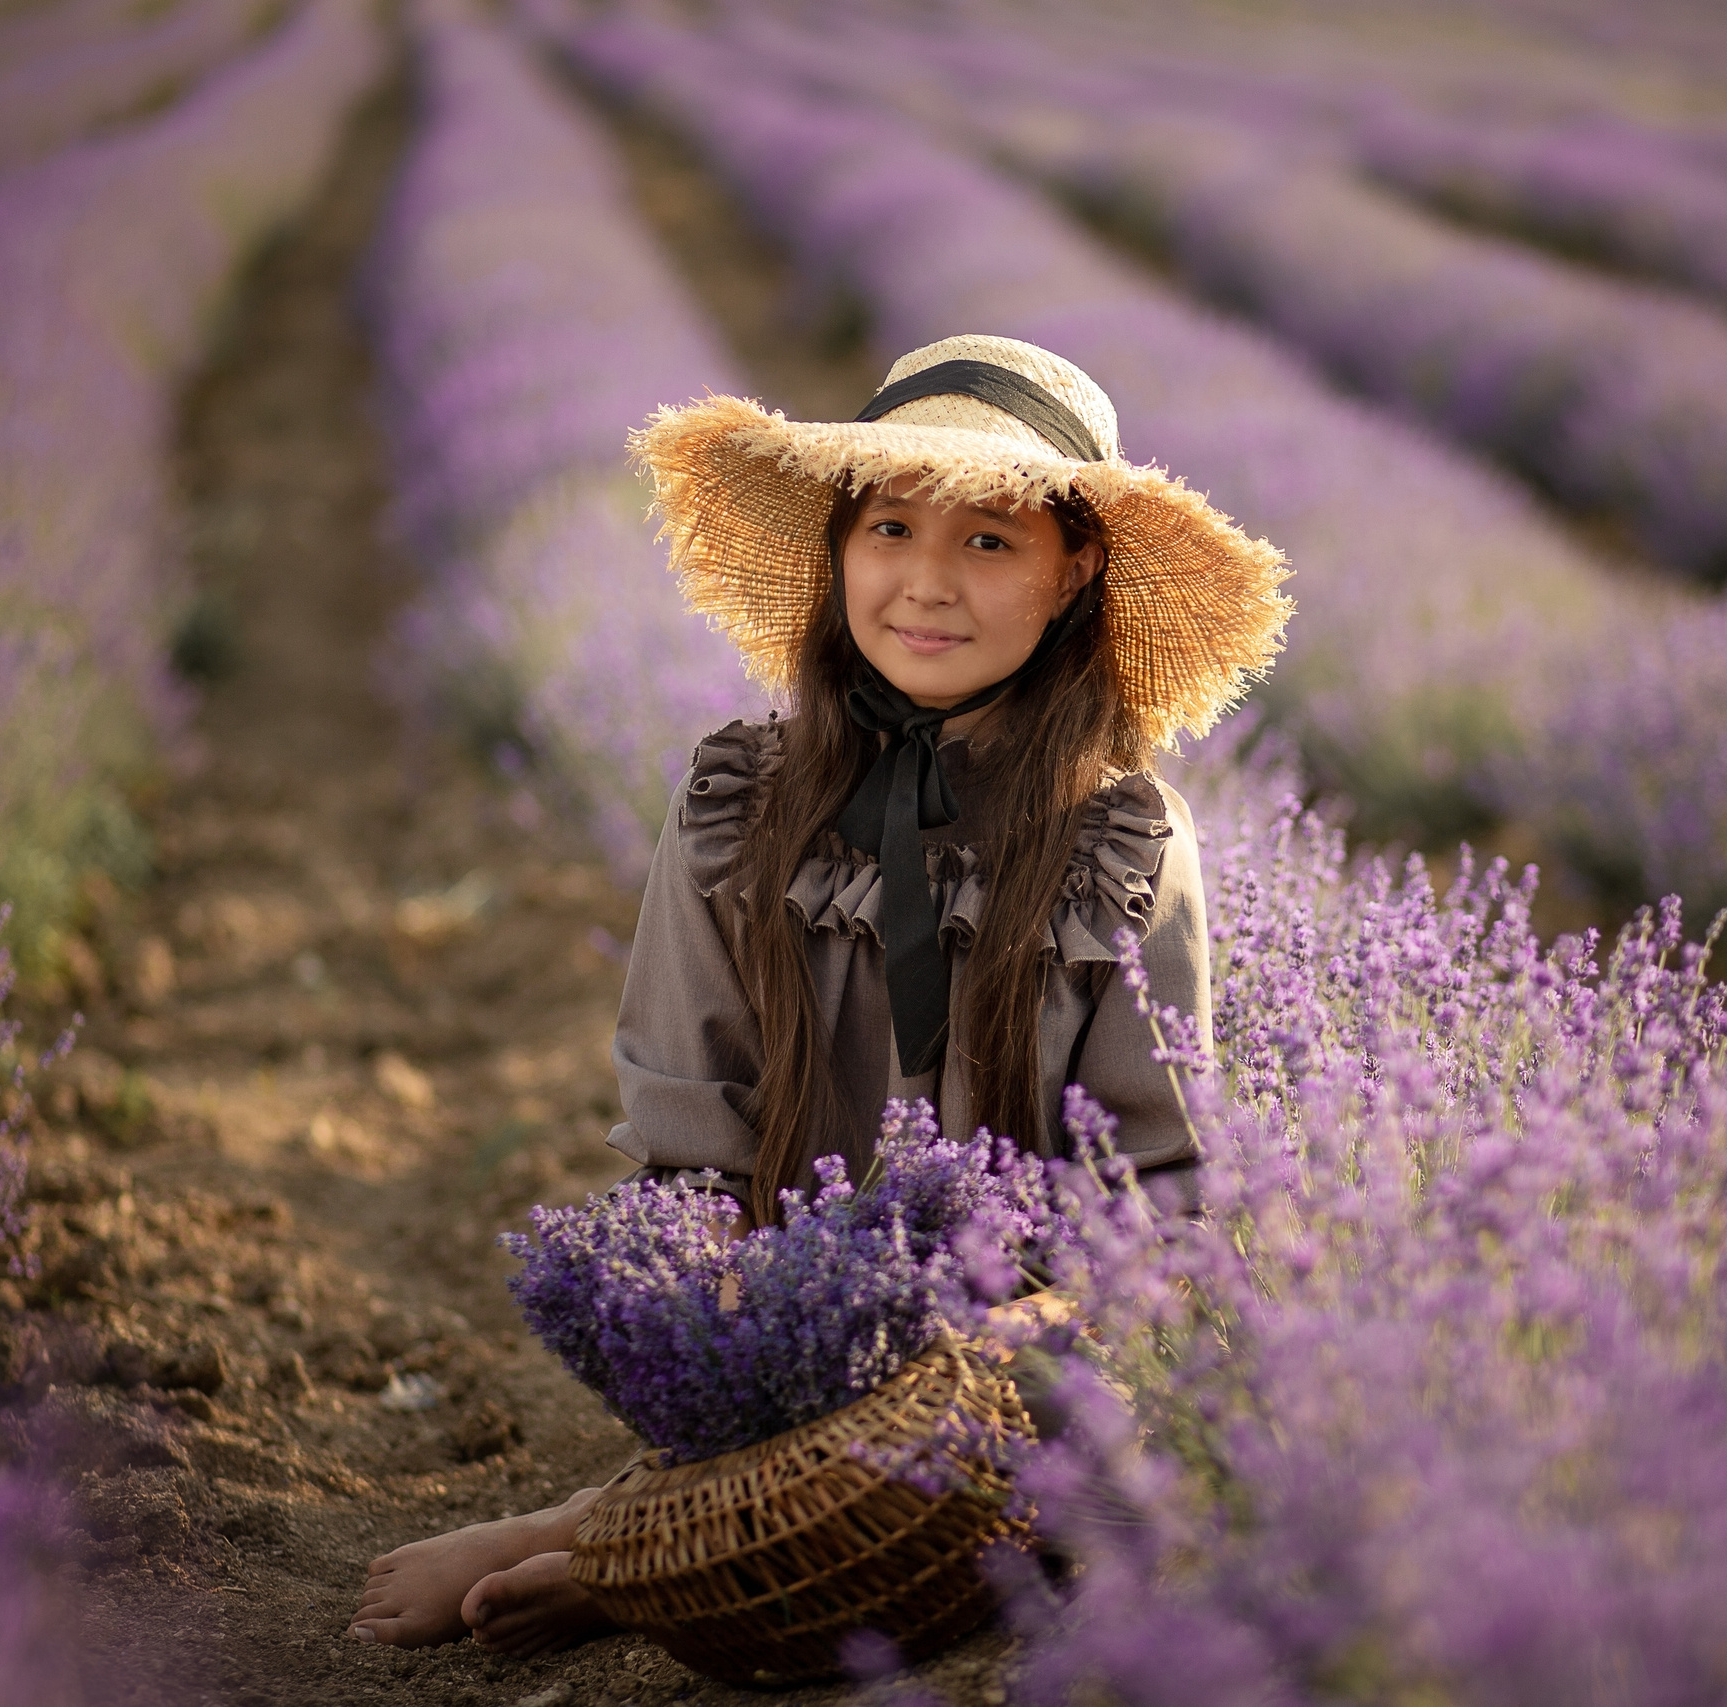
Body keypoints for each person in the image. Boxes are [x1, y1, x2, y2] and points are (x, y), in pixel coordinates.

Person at [348, 334, 1291, 1654]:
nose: (925, 582)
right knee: (733, 1354)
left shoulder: (1122, 841)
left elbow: (1156, 1185)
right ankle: (673, 1518)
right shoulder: (741, 802)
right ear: (841, 546)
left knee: (1099, 1449)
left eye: (990, 543)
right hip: (784, 1312)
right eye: (892, 527)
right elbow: (689, 1113)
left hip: (1017, 1339)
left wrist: (998, 1336)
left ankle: (619, 1548)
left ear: (1075, 572)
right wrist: (730, 1308)